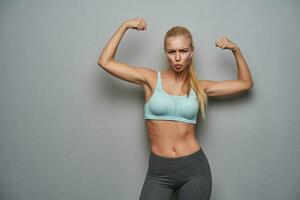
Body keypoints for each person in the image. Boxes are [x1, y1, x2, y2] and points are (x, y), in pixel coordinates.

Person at [97, 17, 253, 200]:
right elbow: (105, 61)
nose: (177, 57)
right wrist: (124, 26)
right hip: (159, 172)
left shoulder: (199, 87)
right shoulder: (151, 80)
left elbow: (245, 83)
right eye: (172, 52)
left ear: (191, 53)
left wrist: (236, 50)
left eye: (183, 51)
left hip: (195, 170)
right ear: (165, 53)